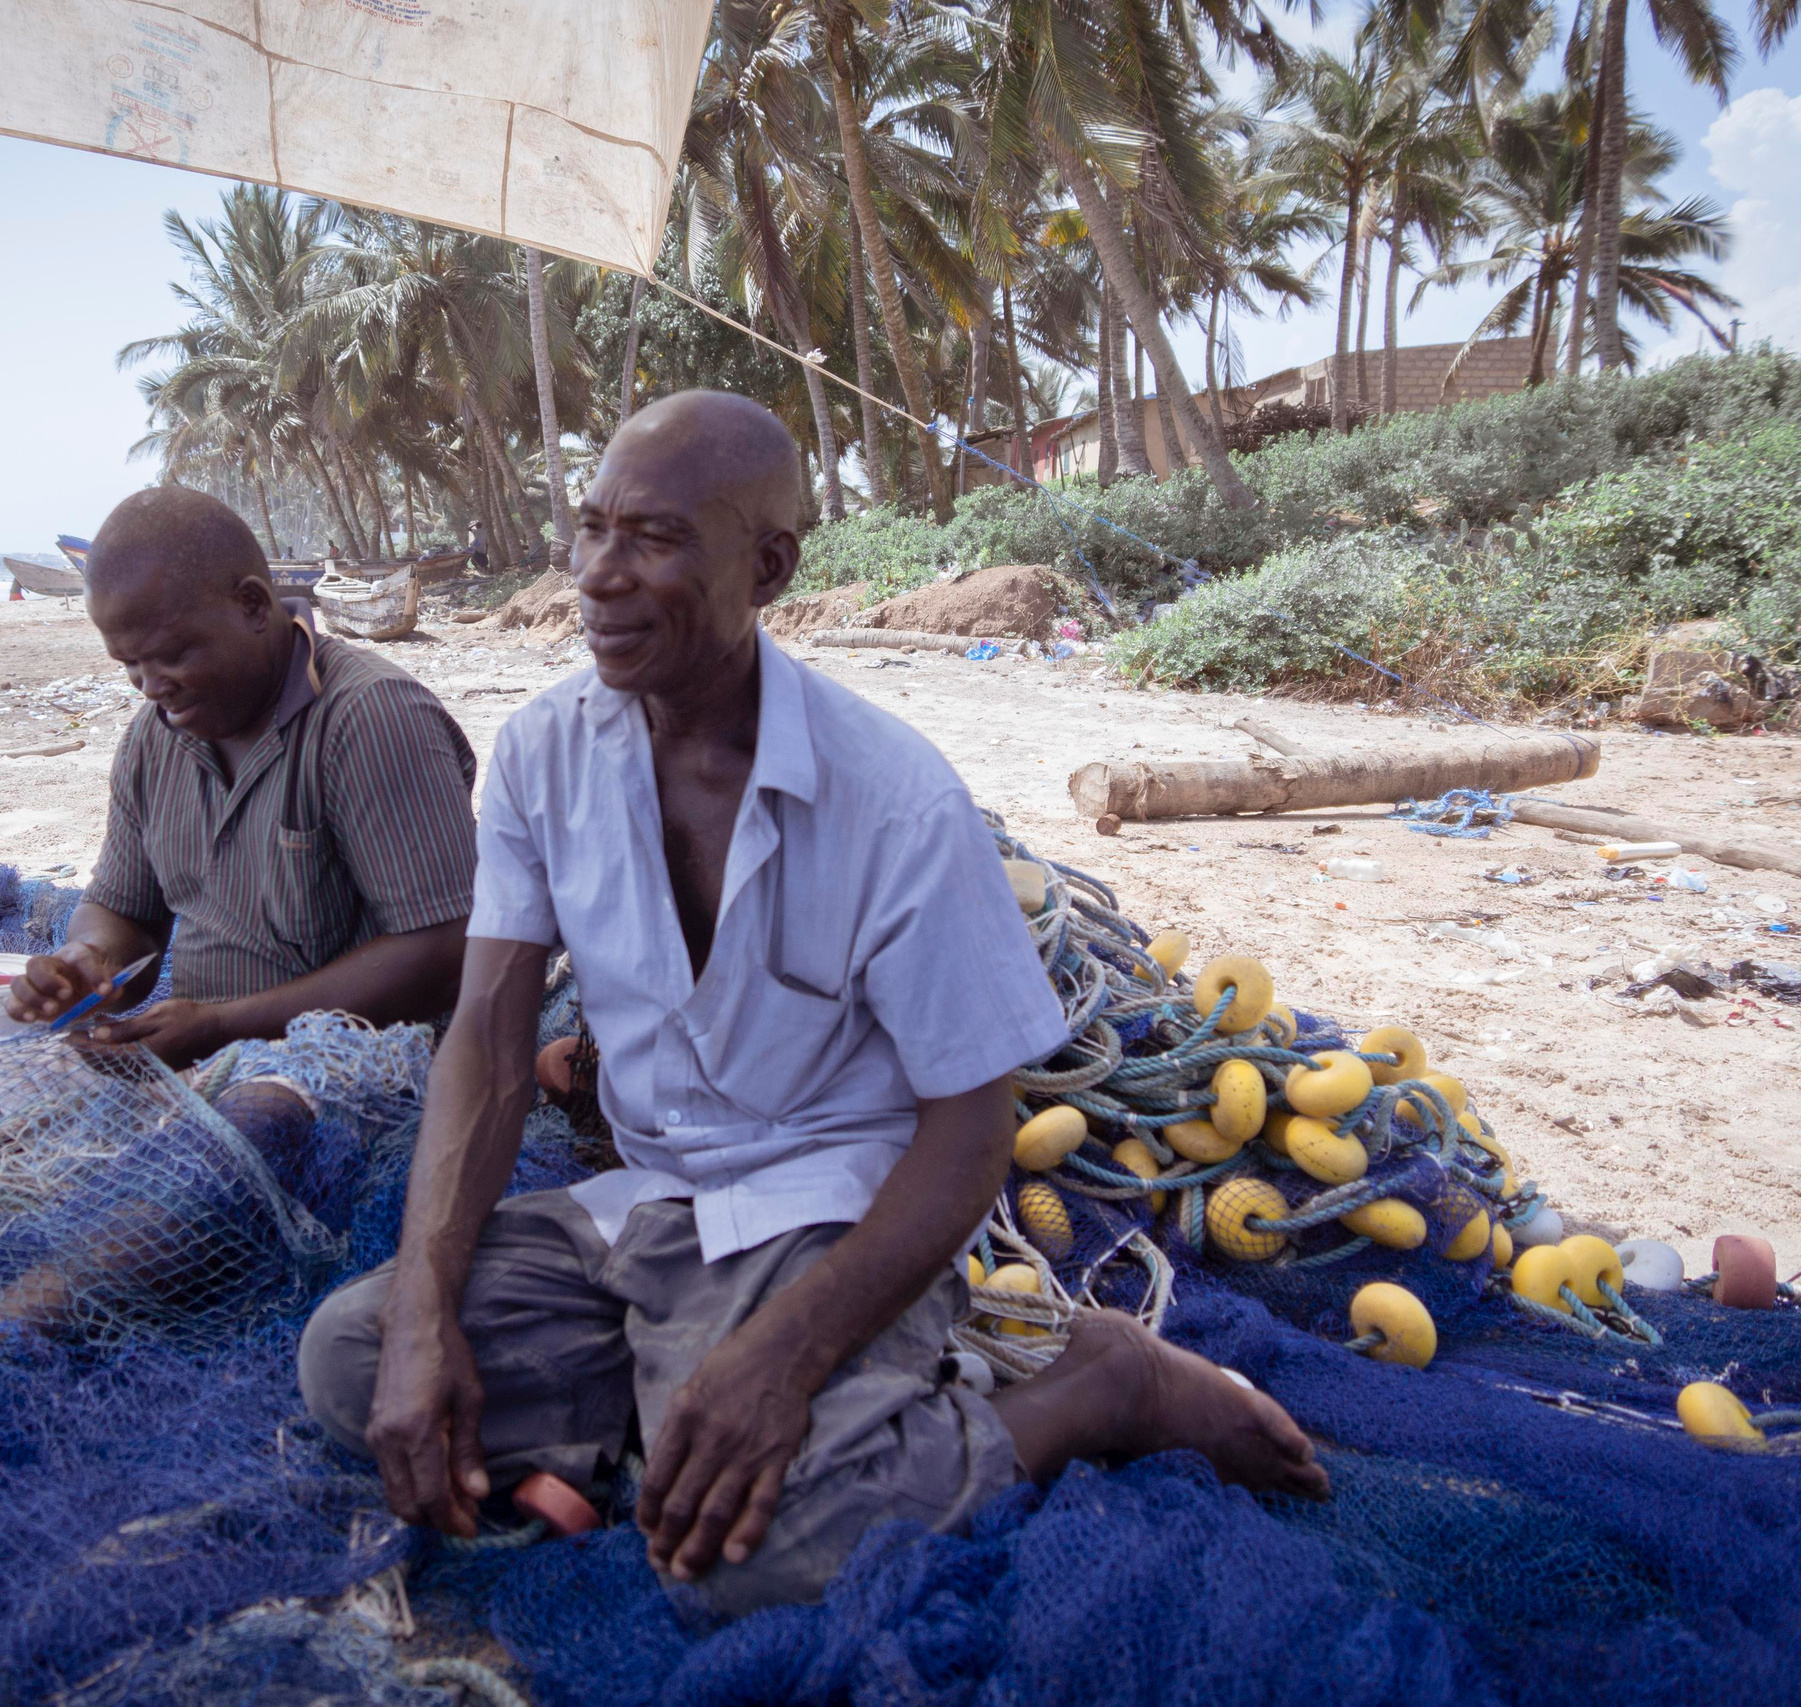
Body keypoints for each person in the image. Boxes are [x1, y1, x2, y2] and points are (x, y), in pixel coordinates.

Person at [296, 392, 1326, 1616]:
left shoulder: (891, 799)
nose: (599, 576)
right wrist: (423, 1311)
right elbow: (487, 1041)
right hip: (645, 1206)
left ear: (768, 565)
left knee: (764, 1563)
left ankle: (1098, 1388)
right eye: (590, 529)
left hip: (818, 1218)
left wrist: (783, 1361)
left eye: (656, 539)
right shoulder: (540, 756)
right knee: (354, 1359)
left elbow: (968, 1132)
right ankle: (682, 1407)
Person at [0, 486, 483, 1327]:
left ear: (254, 605)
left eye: (170, 654)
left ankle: (25, 1318)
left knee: (249, 1133)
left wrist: (224, 1026)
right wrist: (87, 964)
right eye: (129, 665)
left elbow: (445, 950)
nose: (149, 685)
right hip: (201, 1043)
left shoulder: (369, 718)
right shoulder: (155, 737)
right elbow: (124, 911)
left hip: (361, 1063)